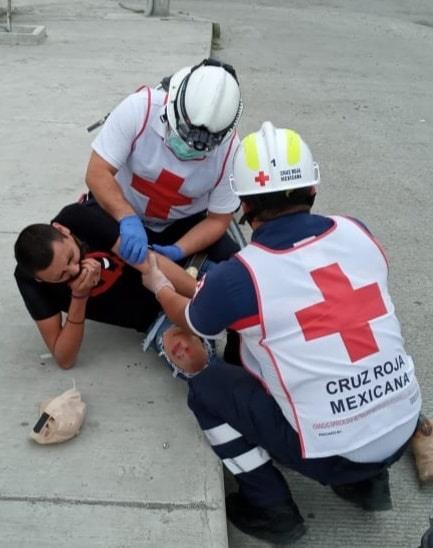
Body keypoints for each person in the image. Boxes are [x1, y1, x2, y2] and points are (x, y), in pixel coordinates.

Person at [140, 122, 422, 544]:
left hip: (334, 454)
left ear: (243, 203)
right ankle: (367, 484)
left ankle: (271, 507)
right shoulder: (356, 231)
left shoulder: (244, 275)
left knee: (209, 387)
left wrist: (158, 282)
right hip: (403, 426)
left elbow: (190, 317)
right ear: (311, 190)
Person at [85, 57, 243, 266]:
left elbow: (218, 219)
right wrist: (127, 217)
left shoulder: (231, 151)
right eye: (185, 133)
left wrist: (179, 250)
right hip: (119, 211)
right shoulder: (139, 108)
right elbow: (97, 173)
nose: (188, 147)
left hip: (183, 226)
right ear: (172, 106)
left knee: (235, 268)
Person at [14, 201, 196, 370]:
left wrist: (201, 297)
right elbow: (64, 359)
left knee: (217, 307)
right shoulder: (29, 280)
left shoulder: (77, 219)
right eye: (62, 275)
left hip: (179, 274)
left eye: (71, 257)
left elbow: (149, 263)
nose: (75, 269)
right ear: (41, 280)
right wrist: (79, 296)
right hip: (154, 320)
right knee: (192, 360)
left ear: (63, 230)